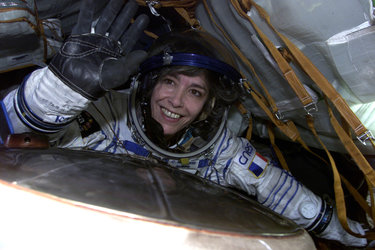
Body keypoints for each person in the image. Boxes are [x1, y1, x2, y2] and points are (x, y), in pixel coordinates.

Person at [0, 0, 368, 247]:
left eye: (194, 91)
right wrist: (59, 91)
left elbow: (282, 194)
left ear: (209, 104)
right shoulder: (104, 116)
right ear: (149, 85)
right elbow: (15, 139)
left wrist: (354, 236)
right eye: (170, 82)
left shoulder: (223, 151)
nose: (176, 101)